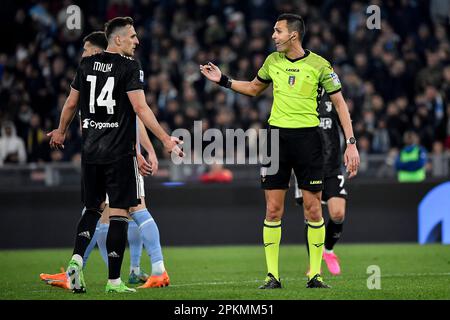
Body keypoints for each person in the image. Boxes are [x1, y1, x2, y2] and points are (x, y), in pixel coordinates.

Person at [200, 13, 359, 289]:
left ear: (293, 35)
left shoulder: (320, 65)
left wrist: (352, 143)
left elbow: (341, 104)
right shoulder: (272, 61)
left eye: (278, 31)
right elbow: (253, 88)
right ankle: (272, 276)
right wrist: (223, 80)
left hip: (309, 141)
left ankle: (315, 275)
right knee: (273, 210)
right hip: (276, 140)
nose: (273, 36)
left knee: (313, 210)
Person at [46, 17, 182, 294]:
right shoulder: (129, 66)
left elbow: (71, 103)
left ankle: (75, 261)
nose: (137, 41)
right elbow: (141, 110)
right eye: (132, 36)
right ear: (117, 39)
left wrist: (60, 131)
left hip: (91, 152)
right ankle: (114, 282)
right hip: (119, 154)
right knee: (120, 214)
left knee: (93, 210)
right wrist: (165, 139)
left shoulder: (85, 65)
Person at [294, 94, 348, 276]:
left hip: (332, 168)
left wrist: (351, 146)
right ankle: (314, 265)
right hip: (306, 167)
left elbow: (345, 121)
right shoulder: (298, 97)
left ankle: (328, 251)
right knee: (311, 216)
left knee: (338, 213)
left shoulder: (332, 98)